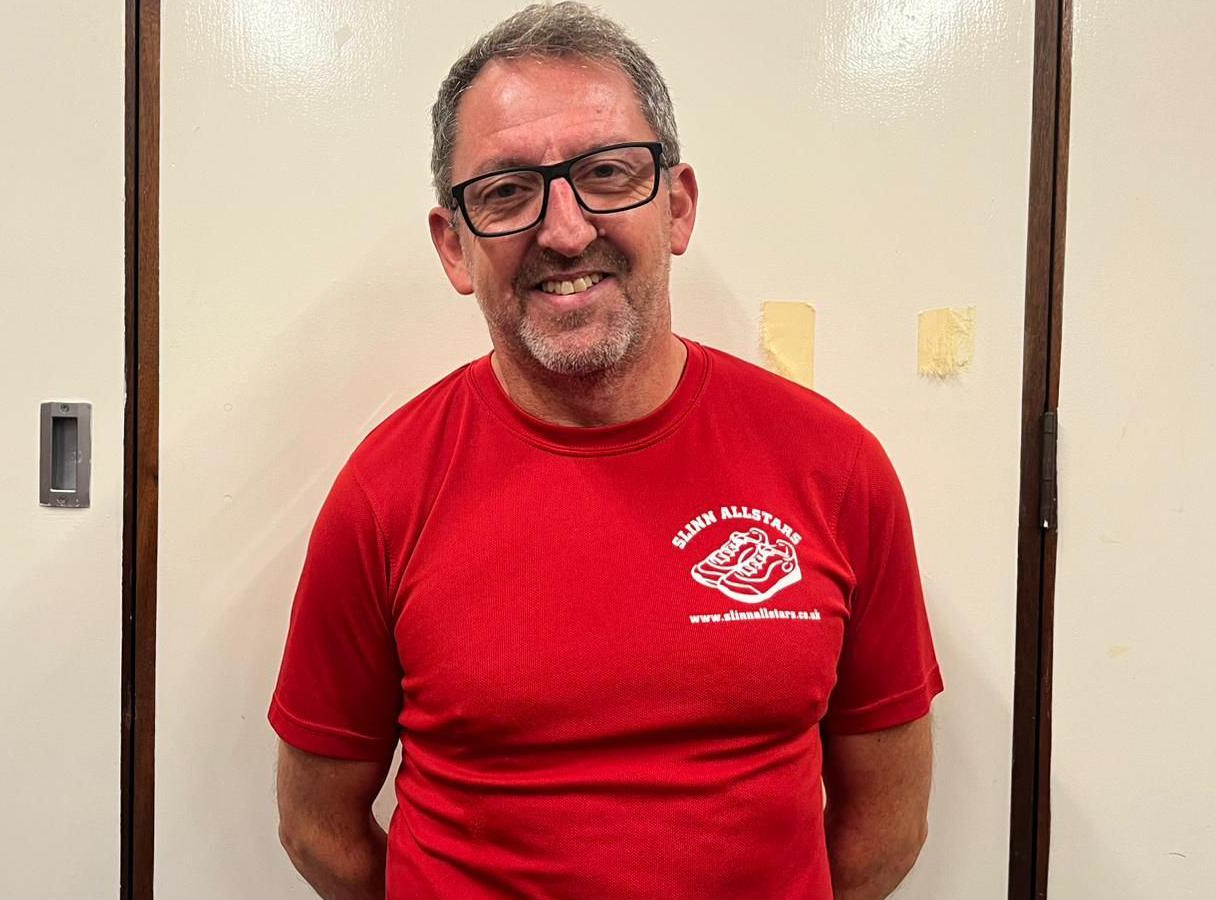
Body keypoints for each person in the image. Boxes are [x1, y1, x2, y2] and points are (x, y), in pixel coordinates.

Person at [268, 4, 943, 898]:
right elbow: (317, 829)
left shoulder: (835, 469)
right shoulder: (384, 494)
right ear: (453, 246)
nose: (565, 229)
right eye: (506, 191)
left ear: (678, 205)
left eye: (608, 173)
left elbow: (884, 827)